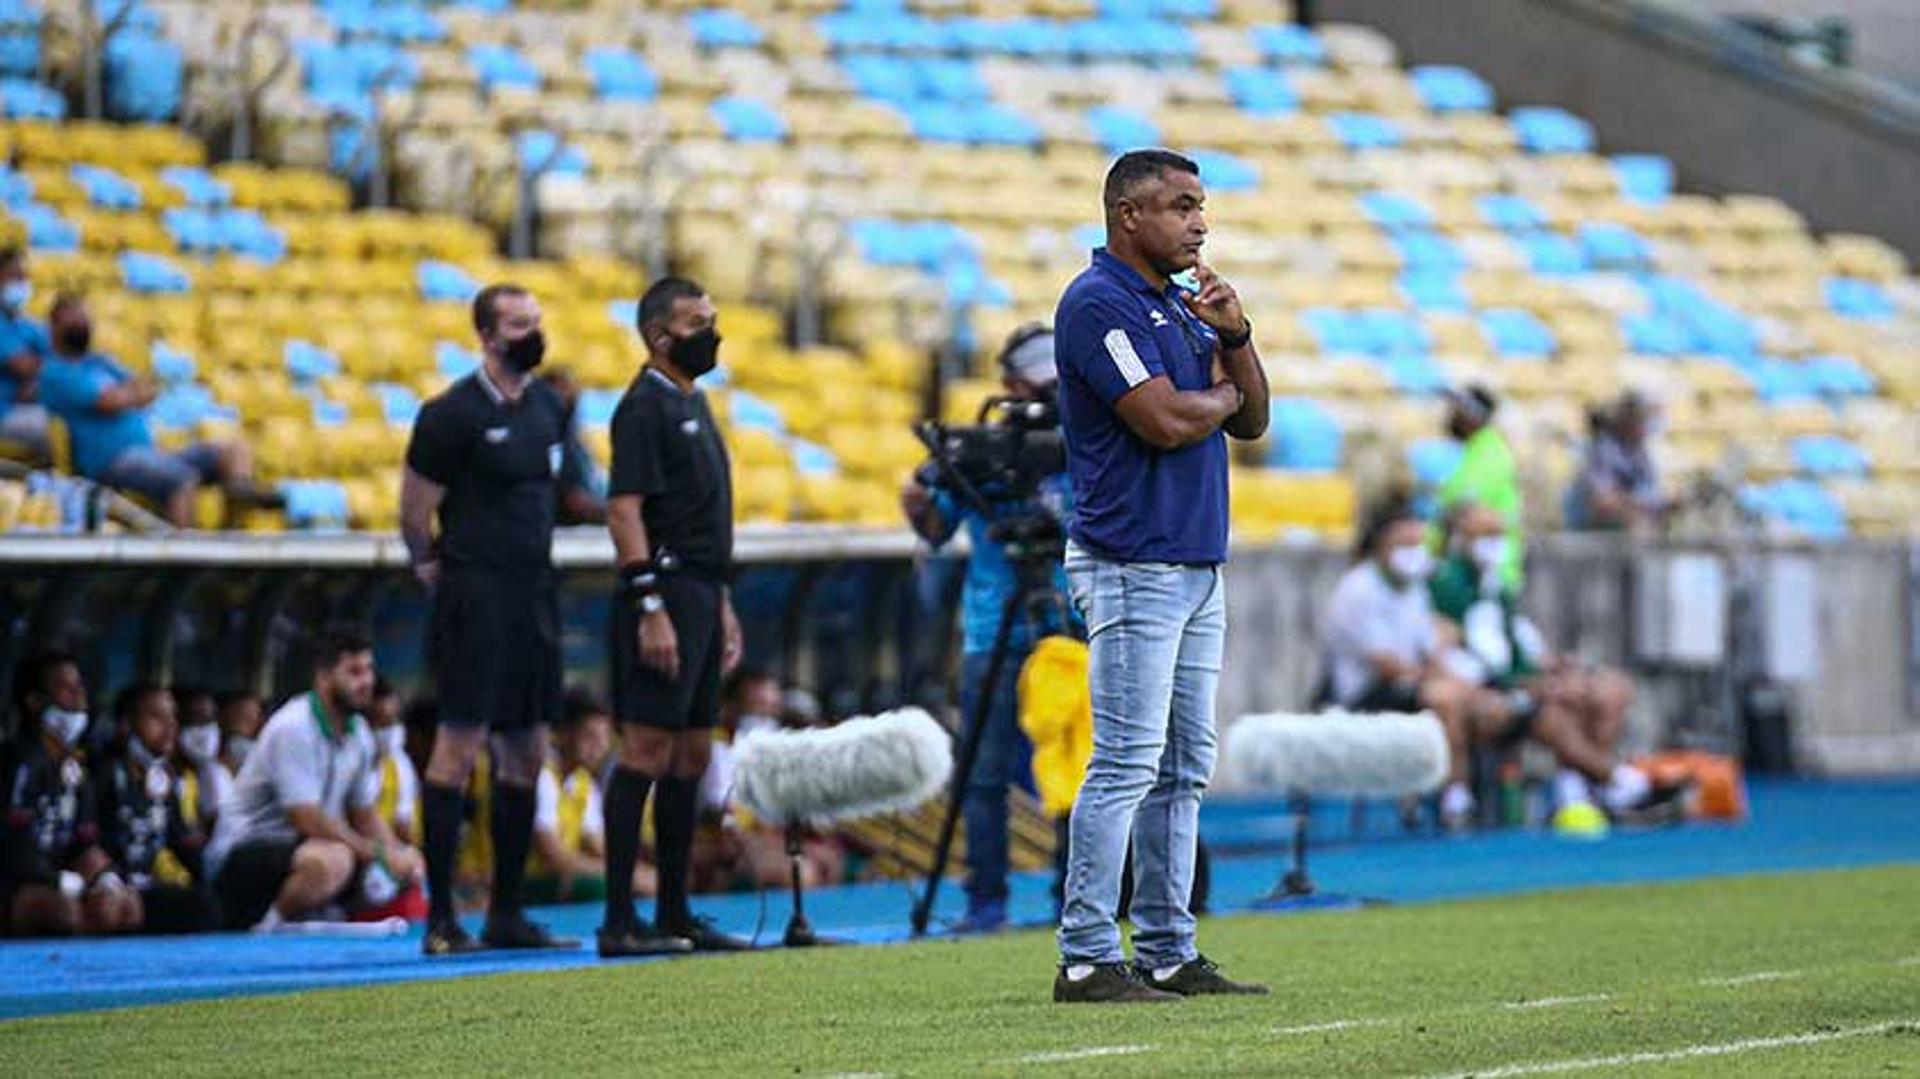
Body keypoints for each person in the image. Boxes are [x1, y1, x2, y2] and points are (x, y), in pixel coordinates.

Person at [1050, 149, 1271, 1003]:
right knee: (1127, 762)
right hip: (1132, 561)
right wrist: (1211, 396)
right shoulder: (1097, 303)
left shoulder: (1183, 305)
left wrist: (1237, 338)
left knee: (1183, 767)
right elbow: (1169, 421)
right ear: (1128, 216)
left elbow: (1250, 418)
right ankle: (1085, 954)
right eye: (1181, 206)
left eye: (1202, 206)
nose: (1201, 222)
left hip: (1193, 562)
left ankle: (1169, 949)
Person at [400, 281, 579, 955]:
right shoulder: (450, 413)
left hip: (534, 591)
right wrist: (427, 563)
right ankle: (443, 918)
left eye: (536, 319)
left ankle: (507, 909)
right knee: (459, 744)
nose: (531, 332)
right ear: (485, 334)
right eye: (516, 323)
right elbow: (415, 508)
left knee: (527, 748)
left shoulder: (547, 408)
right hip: (474, 593)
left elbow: (557, 491)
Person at [901, 323, 1072, 934]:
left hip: (1070, 627)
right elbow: (933, 528)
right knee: (984, 771)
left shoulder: (1085, 444)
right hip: (993, 626)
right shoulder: (984, 451)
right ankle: (985, 903)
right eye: (1038, 380)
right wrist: (919, 493)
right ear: (1010, 385)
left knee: (1078, 766)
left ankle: (1077, 900)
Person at [602, 276, 744, 956]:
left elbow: (701, 521)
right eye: (697, 321)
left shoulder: (697, 401)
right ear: (661, 336)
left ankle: (675, 912)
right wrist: (647, 603)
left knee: (691, 749)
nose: (710, 332)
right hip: (664, 595)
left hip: (701, 593)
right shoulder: (642, 407)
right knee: (647, 748)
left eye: (711, 318)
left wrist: (719, 602)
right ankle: (617, 919)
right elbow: (625, 509)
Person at [1428, 503, 1671, 833]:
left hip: (1509, 683)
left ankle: (1587, 792)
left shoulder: (1494, 583)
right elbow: (1473, 654)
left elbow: (1512, 645)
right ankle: (1622, 783)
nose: (1495, 543)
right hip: (1481, 692)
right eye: (1485, 535)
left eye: (1499, 535)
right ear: (1460, 538)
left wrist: (1546, 671)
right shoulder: (1447, 584)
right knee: (1553, 713)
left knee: (1603, 691)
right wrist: (1524, 682)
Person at [205, 627, 424, 932]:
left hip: (303, 849)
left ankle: (305, 914)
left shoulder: (358, 731)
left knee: (392, 862)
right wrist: (377, 853)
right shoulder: (294, 726)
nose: (367, 682)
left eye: (369, 670)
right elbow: (305, 817)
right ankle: (266, 928)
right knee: (334, 861)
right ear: (323, 676)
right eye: (354, 672)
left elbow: (364, 813)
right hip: (242, 851)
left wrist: (398, 853)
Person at [1323, 504, 1515, 829]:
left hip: (1411, 684)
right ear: (1380, 547)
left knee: (1483, 704)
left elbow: (1431, 651)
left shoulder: (1414, 589)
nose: (1414, 554)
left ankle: (1482, 799)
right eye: (1404, 546)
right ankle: (1455, 798)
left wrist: (1470, 690)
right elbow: (1387, 666)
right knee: (1445, 699)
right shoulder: (1358, 590)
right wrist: (1445, 683)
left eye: (1418, 546)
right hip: (1366, 694)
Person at [37, 294, 279, 527]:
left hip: (147, 453)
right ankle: (183, 559)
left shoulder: (98, 361)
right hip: (110, 462)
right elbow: (110, 402)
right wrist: (129, 395)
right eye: (74, 319)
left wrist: (128, 395)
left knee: (233, 450)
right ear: (54, 326)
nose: (82, 324)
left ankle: (238, 490)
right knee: (181, 479)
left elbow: (147, 388)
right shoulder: (56, 373)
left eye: (84, 317)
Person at [2, 651, 140, 935]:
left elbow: (86, 840)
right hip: (15, 881)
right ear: (35, 702)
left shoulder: (75, 767)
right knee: (64, 913)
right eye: (66, 689)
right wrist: (62, 882)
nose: (79, 697)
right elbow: (12, 846)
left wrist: (106, 881)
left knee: (126, 907)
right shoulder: (19, 760)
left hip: (59, 879)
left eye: (80, 687)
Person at [94, 684, 217, 933]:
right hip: (105, 887)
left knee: (204, 906)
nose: (170, 726)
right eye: (156, 717)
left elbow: (182, 842)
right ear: (127, 725)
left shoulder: (163, 779)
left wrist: (213, 880)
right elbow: (85, 841)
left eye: (173, 716)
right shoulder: (103, 774)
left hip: (145, 886)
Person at [526, 691, 655, 904]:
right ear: (563, 734)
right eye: (590, 736)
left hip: (554, 877)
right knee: (598, 888)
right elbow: (554, 857)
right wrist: (627, 876)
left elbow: (598, 847)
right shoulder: (542, 776)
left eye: (604, 738)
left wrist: (640, 872)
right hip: (528, 880)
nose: (600, 747)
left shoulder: (583, 781)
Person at [1435, 383, 1523, 587]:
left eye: (1456, 410)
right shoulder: (1475, 453)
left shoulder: (1490, 454)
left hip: (1488, 574)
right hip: (1473, 570)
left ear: (1470, 415)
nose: (1450, 416)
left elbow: (1466, 509)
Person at [1565, 391, 1668, 533]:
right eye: (1641, 420)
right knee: (1637, 523)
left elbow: (1652, 496)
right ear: (1627, 421)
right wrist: (1637, 508)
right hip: (1593, 533)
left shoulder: (1641, 454)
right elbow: (1603, 502)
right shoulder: (1601, 450)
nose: (1646, 427)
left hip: (1631, 525)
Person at [538, 365, 608, 525]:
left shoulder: (571, 436)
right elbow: (576, 501)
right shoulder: (547, 439)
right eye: (563, 388)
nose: (573, 392)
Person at [0, 247, 52, 461]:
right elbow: (22, 365)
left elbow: (62, 357)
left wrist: (38, 381)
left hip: (22, 406)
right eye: (15, 277)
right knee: (56, 429)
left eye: (24, 277)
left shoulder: (24, 323)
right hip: (5, 412)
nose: (22, 284)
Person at [368, 679, 419, 846]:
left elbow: (404, 824)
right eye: (381, 722)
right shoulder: (350, 762)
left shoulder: (401, 764)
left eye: (394, 720)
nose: (390, 729)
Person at [172, 685, 228, 834]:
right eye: (194, 719)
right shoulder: (161, 776)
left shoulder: (215, 773)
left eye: (209, 720)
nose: (205, 730)